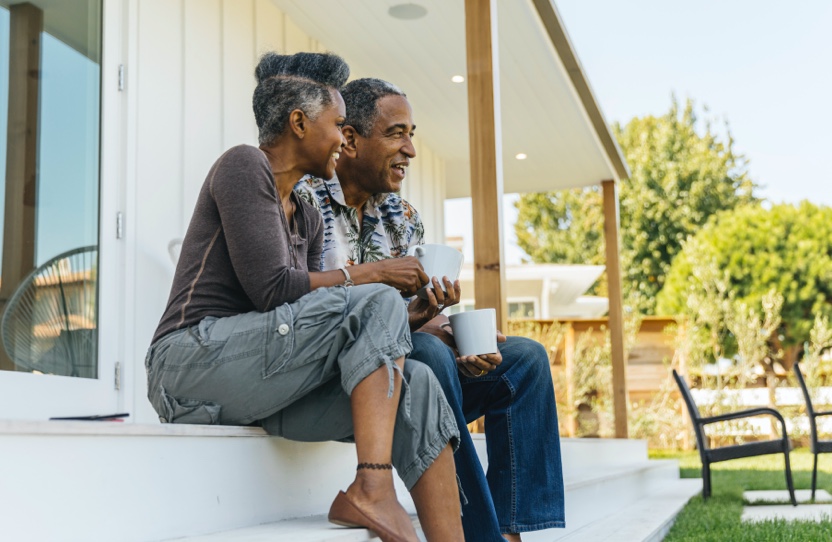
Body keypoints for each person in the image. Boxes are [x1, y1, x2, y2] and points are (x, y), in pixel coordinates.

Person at [145, 53, 464, 542]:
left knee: (416, 382)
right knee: (374, 295)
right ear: (298, 123)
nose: (343, 138)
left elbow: (316, 318)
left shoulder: (309, 217)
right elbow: (274, 289)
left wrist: (413, 317)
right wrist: (373, 273)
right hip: (187, 366)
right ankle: (373, 488)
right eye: (337, 124)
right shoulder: (242, 166)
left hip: (261, 381)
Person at [295, 78, 566, 542]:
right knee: (429, 355)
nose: (411, 150)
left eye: (412, 134)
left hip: (413, 366)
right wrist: (423, 329)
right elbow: (304, 311)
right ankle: (478, 533)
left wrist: (452, 330)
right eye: (397, 133)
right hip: (348, 378)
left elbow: (416, 314)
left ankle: (512, 530)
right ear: (353, 140)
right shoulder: (305, 202)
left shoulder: (402, 215)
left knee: (525, 362)